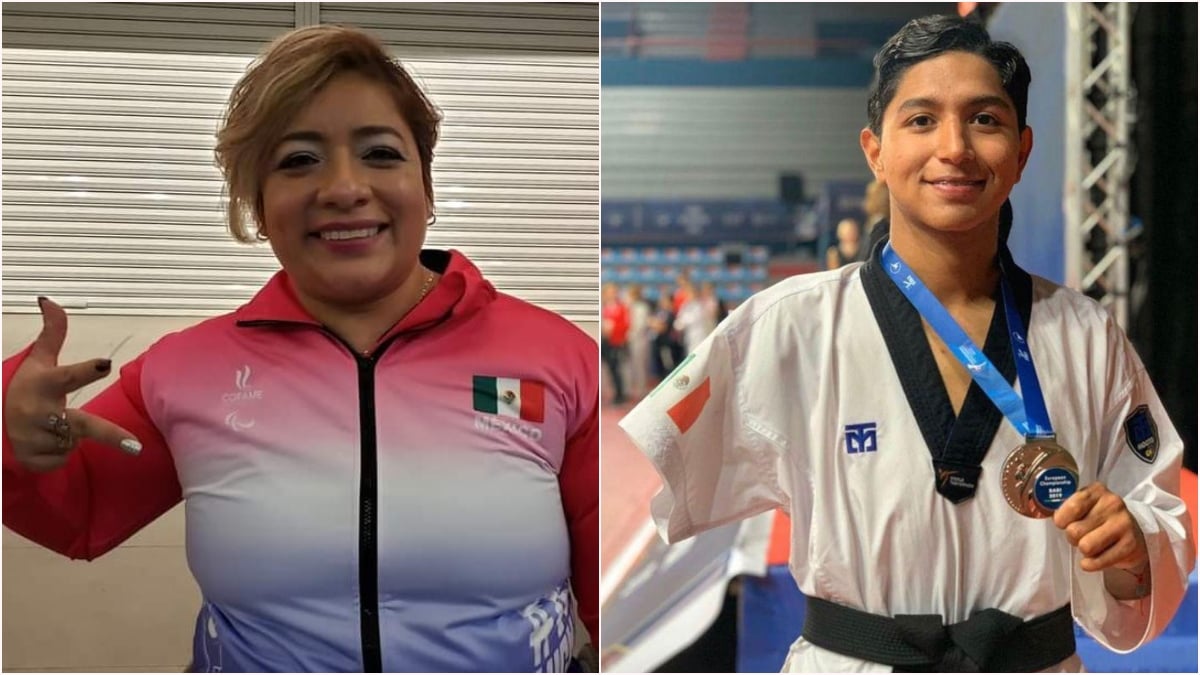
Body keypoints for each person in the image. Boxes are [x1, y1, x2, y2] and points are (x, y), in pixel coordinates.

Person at [2, 25, 598, 673]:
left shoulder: (558, 358)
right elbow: (76, 510)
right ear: (258, 205)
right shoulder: (183, 371)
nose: (343, 187)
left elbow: (621, 586)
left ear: (425, 187)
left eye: (380, 152)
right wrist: (15, 429)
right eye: (297, 160)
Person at [619, 15, 1193, 673]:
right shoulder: (788, 327)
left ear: (1023, 150)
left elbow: (1153, 524)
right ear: (875, 150)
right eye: (921, 120)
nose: (954, 147)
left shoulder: (1088, 337)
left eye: (985, 119)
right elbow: (672, 471)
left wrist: (1130, 549)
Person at [601, 282, 630, 405]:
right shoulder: (602, 306)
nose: (612, 294)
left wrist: (613, 329)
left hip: (615, 341)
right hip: (603, 341)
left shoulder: (621, 307)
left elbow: (626, 324)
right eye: (609, 292)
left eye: (613, 291)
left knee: (615, 368)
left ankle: (620, 394)